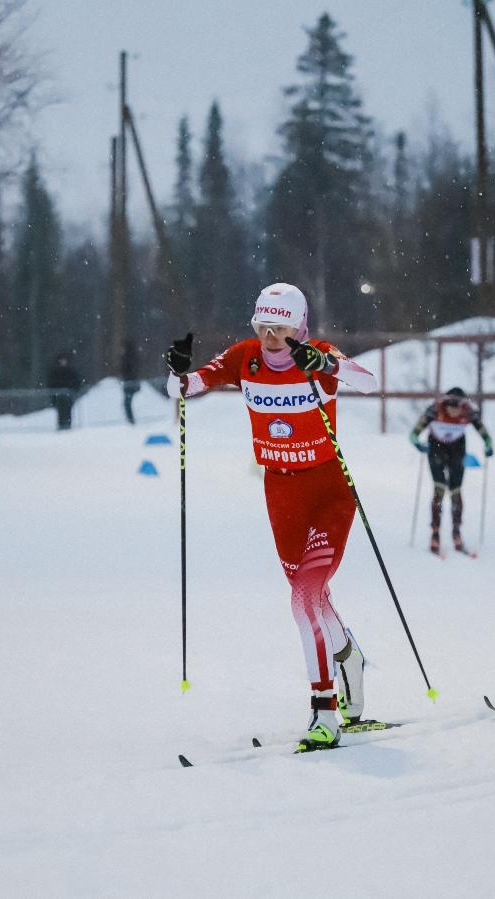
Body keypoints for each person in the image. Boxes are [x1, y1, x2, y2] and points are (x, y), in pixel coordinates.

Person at [164, 283, 377, 752]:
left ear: (299, 326)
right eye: (263, 327)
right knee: (314, 601)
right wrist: (179, 374)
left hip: (328, 492)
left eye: (280, 328)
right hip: (280, 493)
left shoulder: (317, 355)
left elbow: (368, 381)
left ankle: (325, 713)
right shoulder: (246, 358)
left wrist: (327, 365)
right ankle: (350, 658)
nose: (271, 337)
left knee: (304, 600)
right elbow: (187, 387)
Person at [409, 387, 494, 555]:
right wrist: (418, 443)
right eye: (451, 406)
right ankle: (435, 532)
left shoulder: (469, 412)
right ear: (445, 404)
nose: (455, 410)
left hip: (457, 448)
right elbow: (414, 433)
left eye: (458, 406)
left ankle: (456, 531)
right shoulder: (434, 410)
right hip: (436, 448)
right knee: (439, 488)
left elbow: (485, 434)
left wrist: (488, 445)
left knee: (455, 489)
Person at [47, 352, 82, 431]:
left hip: (68, 397)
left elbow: (76, 382)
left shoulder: (70, 371)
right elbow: (51, 383)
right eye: (61, 360)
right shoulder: (55, 372)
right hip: (59, 397)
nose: (63, 362)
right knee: (60, 412)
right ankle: (61, 426)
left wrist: (72, 390)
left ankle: (68, 426)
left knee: (68, 411)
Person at [120, 339, 140, 425]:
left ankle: (130, 420)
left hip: (130, 383)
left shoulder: (128, 357)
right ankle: (130, 420)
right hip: (130, 382)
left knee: (127, 403)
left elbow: (128, 370)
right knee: (127, 403)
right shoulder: (132, 357)